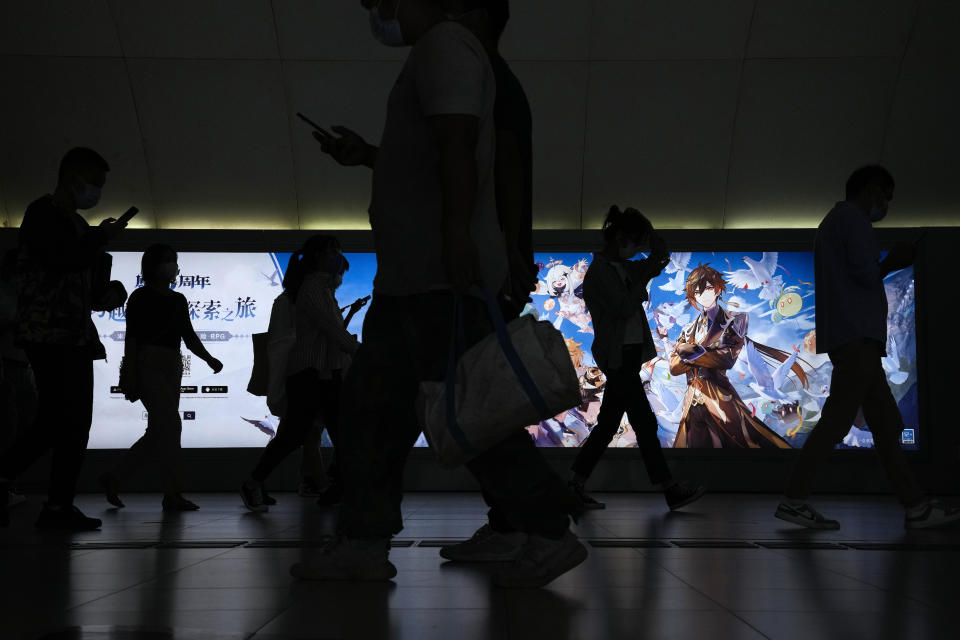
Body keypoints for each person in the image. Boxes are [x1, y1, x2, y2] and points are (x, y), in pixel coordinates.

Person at [292, 0, 586, 588]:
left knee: (468, 414)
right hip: (414, 280)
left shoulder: (445, 44)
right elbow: (431, 155)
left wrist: (456, 238)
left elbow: (457, 143)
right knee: (380, 412)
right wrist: (368, 157)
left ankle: (548, 528)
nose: (376, 11)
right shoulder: (448, 51)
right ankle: (365, 540)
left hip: (433, 280)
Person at [437, 0, 580, 565]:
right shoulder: (497, 79)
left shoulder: (485, 79)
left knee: (473, 400)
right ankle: (519, 520)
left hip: (474, 267)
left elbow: (504, 169)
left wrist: (509, 249)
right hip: (486, 262)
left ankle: (540, 520)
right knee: (478, 398)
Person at [776, 166, 960, 530]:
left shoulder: (832, 223)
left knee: (886, 421)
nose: (886, 203)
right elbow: (865, 274)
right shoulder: (853, 221)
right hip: (857, 337)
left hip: (852, 338)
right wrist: (895, 260)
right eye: (885, 195)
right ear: (871, 189)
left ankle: (915, 505)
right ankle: (795, 498)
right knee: (838, 420)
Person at [0, 147, 128, 530]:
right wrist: (99, 240)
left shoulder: (75, 225)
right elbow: (61, 259)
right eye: (94, 183)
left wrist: (109, 292)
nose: (96, 192)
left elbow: (81, 282)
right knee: (59, 420)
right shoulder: (42, 215)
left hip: (72, 336)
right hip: (49, 334)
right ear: (72, 177)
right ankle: (25, 486)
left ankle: (58, 504)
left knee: (69, 423)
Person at [565, 206, 705, 511]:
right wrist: (640, 285)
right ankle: (669, 488)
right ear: (619, 238)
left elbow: (658, 260)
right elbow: (622, 307)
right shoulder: (599, 274)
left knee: (608, 424)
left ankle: (574, 485)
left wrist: (651, 237)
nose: (636, 249)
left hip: (625, 357)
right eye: (633, 242)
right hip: (616, 358)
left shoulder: (623, 267)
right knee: (643, 421)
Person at [240, 235, 361, 512]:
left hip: (325, 375)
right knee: (295, 435)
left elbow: (332, 332)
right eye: (334, 252)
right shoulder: (311, 289)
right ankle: (254, 481)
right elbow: (332, 330)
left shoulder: (322, 290)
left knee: (337, 433)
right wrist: (359, 351)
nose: (337, 259)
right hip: (308, 375)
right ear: (319, 255)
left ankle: (337, 488)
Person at [99, 244, 223, 511]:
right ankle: (172, 492)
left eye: (173, 261)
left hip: (171, 364)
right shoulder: (140, 297)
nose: (173, 266)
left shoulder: (178, 299)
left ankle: (115, 477)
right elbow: (131, 339)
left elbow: (188, 336)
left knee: (159, 430)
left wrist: (209, 358)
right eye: (167, 261)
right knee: (170, 426)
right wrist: (130, 370)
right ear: (153, 265)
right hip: (148, 362)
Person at [670, 264, 804, 449]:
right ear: (694, 296)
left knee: (739, 447)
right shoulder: (688, 329)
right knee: (695, 458)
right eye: (698, 291)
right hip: (692, 404)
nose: (704, 294)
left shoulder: (735, 320)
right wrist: (693, 354)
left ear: (717, 289)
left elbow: (725, 359)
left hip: (720, 400)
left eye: (708, 288)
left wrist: (691, 352)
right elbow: (674, 367)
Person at [0, 248, 37, 509]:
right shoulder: (5, 293)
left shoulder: (29, 294)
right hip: (7, 365)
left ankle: (11, 484)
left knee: (23, 428)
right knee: (8, 429)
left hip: (25, 366)